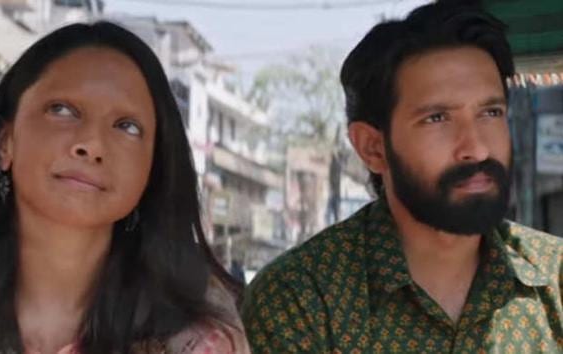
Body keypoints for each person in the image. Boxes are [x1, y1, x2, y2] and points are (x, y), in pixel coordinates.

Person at [241, 2, 563, 353]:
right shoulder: (302, 300)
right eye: (438, 118)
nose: (477, 149)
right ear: (373, 148)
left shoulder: (555, 281)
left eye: (491, 112)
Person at [0, 22, 251, 354]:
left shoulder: (195, 333)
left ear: (152, 167)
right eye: (63, 110)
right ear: (5, 143)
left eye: (126, 126)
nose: (92, 144)